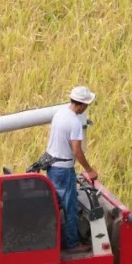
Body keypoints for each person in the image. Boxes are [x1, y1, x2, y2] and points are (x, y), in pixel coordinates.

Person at [45, 86, 98, 253]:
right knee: (70, 207)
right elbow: (77, 151)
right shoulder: (74, 122)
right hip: (64, 169)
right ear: (82, 105)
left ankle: (54, 239)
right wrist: (90, 170)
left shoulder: (60, 114)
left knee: (56, 204)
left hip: (52, 166)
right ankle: (73, 244)